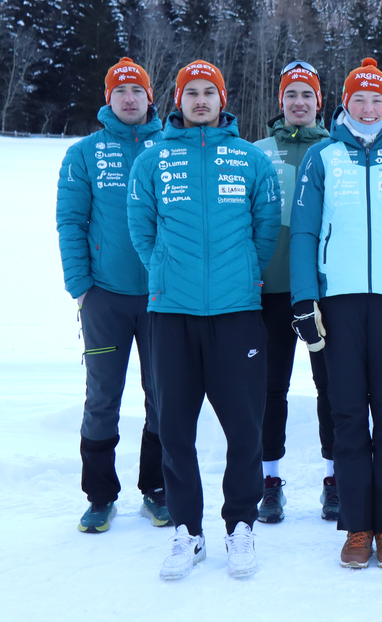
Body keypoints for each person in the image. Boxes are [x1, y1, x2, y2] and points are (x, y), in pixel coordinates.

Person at [127, 60, 281, 580]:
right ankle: (187, 533)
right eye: (190, 93)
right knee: (174, 429)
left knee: (245, 428)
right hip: (171, 314)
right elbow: (140, 227)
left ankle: (240, 526)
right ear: (177, 100)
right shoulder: (152, 160)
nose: (199, 101)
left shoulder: (249, 159)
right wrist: (162, 271)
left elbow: (265, 228)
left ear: (222, 99)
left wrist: (245, 273)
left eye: (207, 93)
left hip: (238, 314)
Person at [289, 58, 382, 569]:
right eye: (360, 98)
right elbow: (306, 232)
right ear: (345, 103)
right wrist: (304, 299)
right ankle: (357, 524)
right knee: (348, 412)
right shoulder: (322, 157)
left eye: (378, 99)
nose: (369, 107)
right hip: (339, 303)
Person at [56, 57, 167, 533]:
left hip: (164, 297)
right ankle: (100, 496)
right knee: (103, 396)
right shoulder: (84, 153)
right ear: (109, 99)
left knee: (163, 396)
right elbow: (70, 222)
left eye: (136, 92)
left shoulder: (170, 147)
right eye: (120, 92)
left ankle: (157, 488)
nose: (129, 99)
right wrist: (82, 288)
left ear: (150, 98)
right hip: (105, 297)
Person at [252, 61, 335, 524]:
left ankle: (334, 478)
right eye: (291, 95)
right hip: (269, 290)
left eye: (307, 95)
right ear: (279, 102)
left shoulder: (335, 150)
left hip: (324, 291)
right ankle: (269, 480)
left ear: (318, 102)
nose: (299, 103)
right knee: (270, 389)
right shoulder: (257, 152)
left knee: (331, 387)